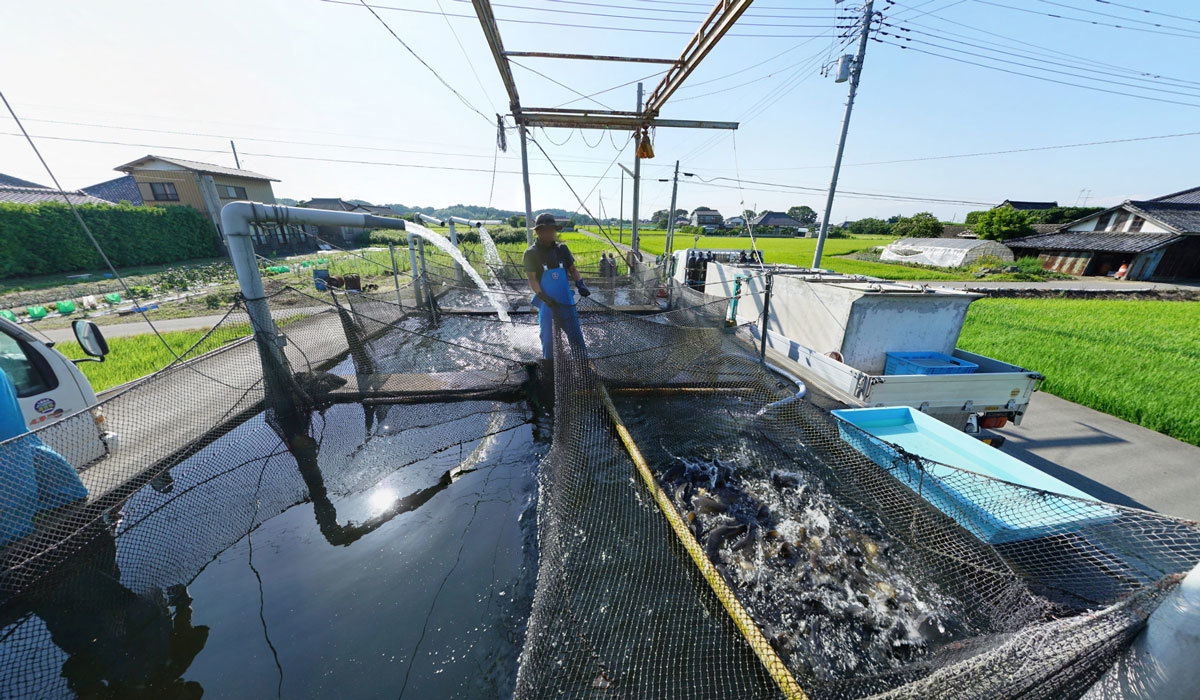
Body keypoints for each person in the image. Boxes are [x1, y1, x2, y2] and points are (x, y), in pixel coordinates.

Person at [525, 212, 589, 359]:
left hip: (566, 301)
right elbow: (532, 279)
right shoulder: (531, 253)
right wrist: (543, 297)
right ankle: (549, 367)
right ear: (538, 231)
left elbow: (573, 270)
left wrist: (580, 283)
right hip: (546, 302)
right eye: (545, 230)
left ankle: (583, 363)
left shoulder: (562, 249)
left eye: (552, 229)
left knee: (575, 335)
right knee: (547, 338)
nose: (549, 233)